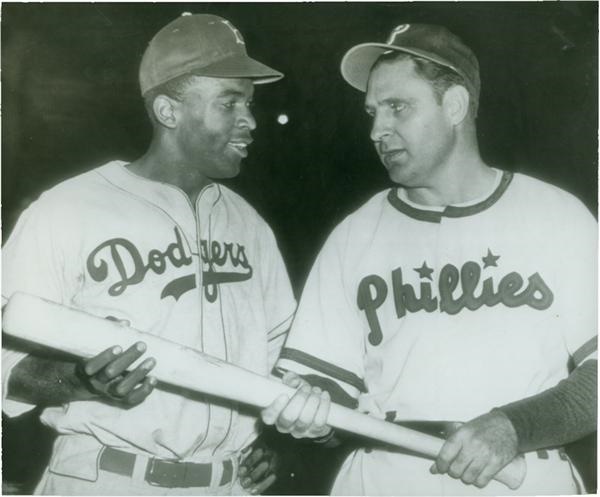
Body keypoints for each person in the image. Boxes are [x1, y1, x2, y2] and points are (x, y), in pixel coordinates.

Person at [260, 23, 597, 495]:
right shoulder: (355, 234)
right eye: (373, 112)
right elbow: (327, 388)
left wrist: (514, 426)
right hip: (385, 475)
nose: (378, 130)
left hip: (522, 474)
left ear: (455, 105)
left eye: (398, 107)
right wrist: (315, 413)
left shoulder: (557, 215)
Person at [2, 13, 296, 495]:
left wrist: (264, 440)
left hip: (227, 483)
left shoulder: (250, 227)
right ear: (167, 111)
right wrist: (80, 381)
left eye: (250, 102)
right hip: (109, 478)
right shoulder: (69, 208)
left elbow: (276, 370)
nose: (251, 121)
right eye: (230, 103)